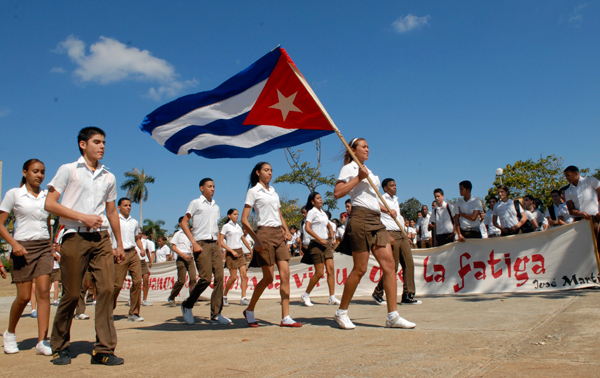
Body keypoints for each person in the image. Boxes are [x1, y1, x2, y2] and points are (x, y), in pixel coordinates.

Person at [45, 127, 125, 365]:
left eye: (104, 143)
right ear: (83, 144)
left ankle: (104, 350)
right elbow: (50, 203)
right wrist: (82, 217)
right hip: (74, 236)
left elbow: (111, 211)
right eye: (97, 142)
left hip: (101, 239)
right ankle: (60, 345)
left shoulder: (108, 176)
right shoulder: (68, 170)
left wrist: (119, 243)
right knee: (70, 294)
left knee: (107, 290)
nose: (102, 146)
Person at [333, 138, 415, 330]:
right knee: (360, 268)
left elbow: (369, 197)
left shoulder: (367, 170)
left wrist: (386, 210)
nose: (368, 149)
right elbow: (338, 193)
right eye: (363, 146)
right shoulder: (350, 168)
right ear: (353, 150)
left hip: (376, 220)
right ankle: (341, 312)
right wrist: (358, 178)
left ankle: (392, 316)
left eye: (368, 146)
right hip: (359, 219)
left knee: (389, 265)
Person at [0, 159, 53, 356]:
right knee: (23, 297)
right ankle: (10, 333)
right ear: (25, 172)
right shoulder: (14, 194)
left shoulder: (47, 196)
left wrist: (51, 245)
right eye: (35, 171)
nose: (39, 175)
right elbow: (1, 224)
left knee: (44, 292)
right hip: (21, 247)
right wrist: (14, 244)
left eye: (42, 172)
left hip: (44, 247)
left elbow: (49, 222)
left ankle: (42, 341)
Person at [241, 162, 301, 328]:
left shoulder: (273, 191)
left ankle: (286, 317)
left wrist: (287, 230)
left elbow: (279, 214)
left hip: (279, 235)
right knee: (268, 277)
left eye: (271, 170)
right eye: (266, 170)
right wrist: (257, 240)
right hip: (264, 234)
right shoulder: (253, 191)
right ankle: (250, 310)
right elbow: (244, 220)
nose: (270, 173)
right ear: (258, 172)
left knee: (285, 274)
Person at [179, 178, 231, 325]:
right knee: (206, 278)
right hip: (200, 244)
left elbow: (215, 227)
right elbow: (184, 222)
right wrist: (193, 243)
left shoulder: (216, 206)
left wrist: (220, 246)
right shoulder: (195, 203)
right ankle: (187, 305)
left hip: (214, 244)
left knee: (220, 277)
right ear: (201, 188)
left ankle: (216, 314)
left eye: (214, 186)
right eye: (209, 186)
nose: (212, 189)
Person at [372, 178, 421, 306]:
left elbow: (398, 217)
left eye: (395, 185)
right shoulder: (380, 200)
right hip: (390, 233)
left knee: (408, 263)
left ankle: (408, 295)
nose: (395, 187)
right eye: (391, 185)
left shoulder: (396, 200)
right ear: (385, 188)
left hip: (401, 233)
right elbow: (377, 219)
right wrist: (386, 235)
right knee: (392, 267)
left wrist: (405, 232)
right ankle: (378, 292)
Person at [299, 192, 340, 307]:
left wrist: (332, 238)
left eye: (321, 198)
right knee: (320, 272)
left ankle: (332, 297)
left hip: (326, 244)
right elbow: (307, 228)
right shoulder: (311, 212)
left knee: (331, 270)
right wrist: (319, 239)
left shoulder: (322, 213)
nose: (320, 200)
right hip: (316, 244)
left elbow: (329, 226)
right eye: (318, 198)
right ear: (312, 201)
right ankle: (305, 295)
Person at [112, 198, 145, 322]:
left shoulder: (134, 222)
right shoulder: (114, 221)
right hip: (119, 253)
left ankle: (134, 313)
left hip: (132, 252)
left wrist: (141, 249)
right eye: (125, 205)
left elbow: (137, 238)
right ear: (119, 207)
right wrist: (113, 251)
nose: (128, 207)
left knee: (137, 281)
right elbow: (109, 239)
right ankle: (108, 309)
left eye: (130, 205)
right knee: (117, 284)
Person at [220, 209, 253, 307]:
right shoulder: (225, 226)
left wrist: (251, 250)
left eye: (237, 214)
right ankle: (224, 296)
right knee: (233, 277)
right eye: (234, 214)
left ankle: (243, 298)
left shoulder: (238, 226)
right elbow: (221, 242)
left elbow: (243, 239)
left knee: (244, 275)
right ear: (229, 215)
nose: (236, 216)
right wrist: (231, 251)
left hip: (240, 252)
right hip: (231, 252)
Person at [564, 165, 600, 247]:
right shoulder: (568, 191)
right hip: (580, 221)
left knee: (597, 245)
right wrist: (580, 213)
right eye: (565, 176)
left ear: (576, 173)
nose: (567, 178)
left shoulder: (590, 180)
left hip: (595, 218)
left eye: (568, 175)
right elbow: (571, 209)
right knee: (585, 247)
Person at [167, 217, 196, 304]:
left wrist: (191, 254)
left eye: (187, 222)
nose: (186, 224)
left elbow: (191, 245)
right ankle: (172, 296)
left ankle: (192, 298)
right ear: (180, 224)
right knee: (181, 280)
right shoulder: (178, 234)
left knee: (193, 278)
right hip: (181, 258)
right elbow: (173, 247)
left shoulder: (190, 234)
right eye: (184, 222)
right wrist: (183, 255)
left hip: (189, 257)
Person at [139, 233, 152, 306]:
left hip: (143, 261)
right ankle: (132, 299)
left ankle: (144, 300)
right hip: (136, 261)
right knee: (136, 282)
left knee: (146, 280)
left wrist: (150, 261)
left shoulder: (145, 241)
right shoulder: (133, 240)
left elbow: (147, 251)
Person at [50, 241, 61, 306]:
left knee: (56, 285)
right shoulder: (48, 254)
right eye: (52, 246)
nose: (54, 248)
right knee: (49, 286)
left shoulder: (58, 254)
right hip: (50, 270)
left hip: (56, 269)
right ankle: (48, 300)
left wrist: (57, 257)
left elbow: (59, 261)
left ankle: (55, 300)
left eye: (55, 246)